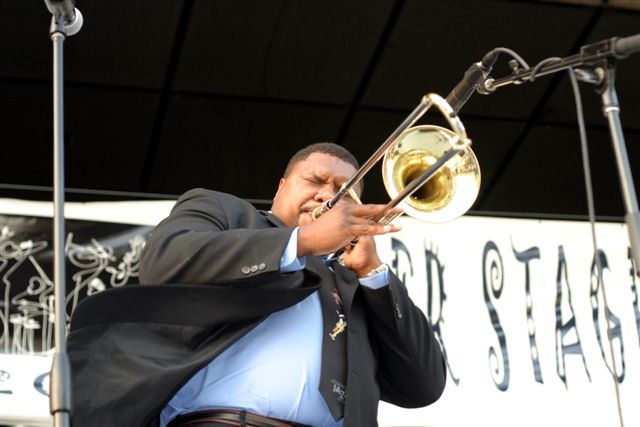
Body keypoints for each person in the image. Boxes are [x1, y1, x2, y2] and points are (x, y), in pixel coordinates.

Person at [66, 142, 446, 427]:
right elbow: (164, 258)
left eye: (345, 192)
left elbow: (423, 385)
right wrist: (302, 241)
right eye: (315, 181)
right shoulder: (226, 212)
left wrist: (373, 273)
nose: (328, 195)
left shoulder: (360, 281)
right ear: (281, 187)